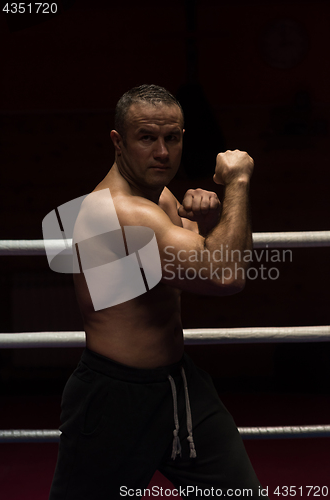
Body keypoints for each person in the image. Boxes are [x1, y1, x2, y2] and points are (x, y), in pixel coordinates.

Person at [49, 84, 267, 499]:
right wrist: (237, 183)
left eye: (173, 138)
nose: (163, 153)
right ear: (118, 141)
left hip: (179, 383)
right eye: (147, 138)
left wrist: (204, 216)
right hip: (115, 397)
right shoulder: (118, 211)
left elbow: (198, 255)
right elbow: (224, 275)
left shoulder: (159, 197)